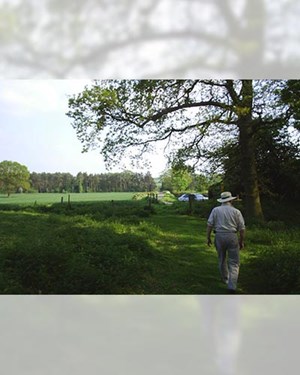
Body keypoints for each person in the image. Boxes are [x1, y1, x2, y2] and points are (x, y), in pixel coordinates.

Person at [207, 192, 245, 293]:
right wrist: (241, 240)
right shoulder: (236, 211)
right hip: (232, 235)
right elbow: (241, 228)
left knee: (221, 258)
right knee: (234, 261)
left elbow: (210, 224)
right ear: (231, 200)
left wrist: (208, 237)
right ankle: (232, 286)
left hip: (219, 235)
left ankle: (225, 278)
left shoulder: (215, 210)